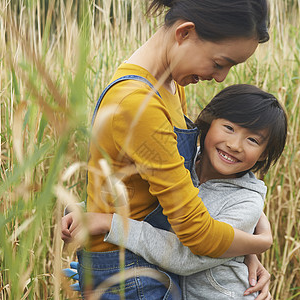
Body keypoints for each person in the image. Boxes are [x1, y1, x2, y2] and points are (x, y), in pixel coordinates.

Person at [61, 0, 273, 299]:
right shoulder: (138, 105)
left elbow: (179, 187)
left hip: (148, 262)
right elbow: (195, 232)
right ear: (185, 33)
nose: (221, 77)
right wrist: (261, 241)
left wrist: (246, 250)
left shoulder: (169, 85)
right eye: (219, 63)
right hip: (129, 275)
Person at [82, 84, 287, 299]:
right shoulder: (181, 163)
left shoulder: (245, 202)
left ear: (264, 154)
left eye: (252, 140)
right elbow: (142, 198)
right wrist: (87, 210)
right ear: (209, 121)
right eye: (229, 128)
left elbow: (186, 256)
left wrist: (112, 224)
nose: (235, 145)